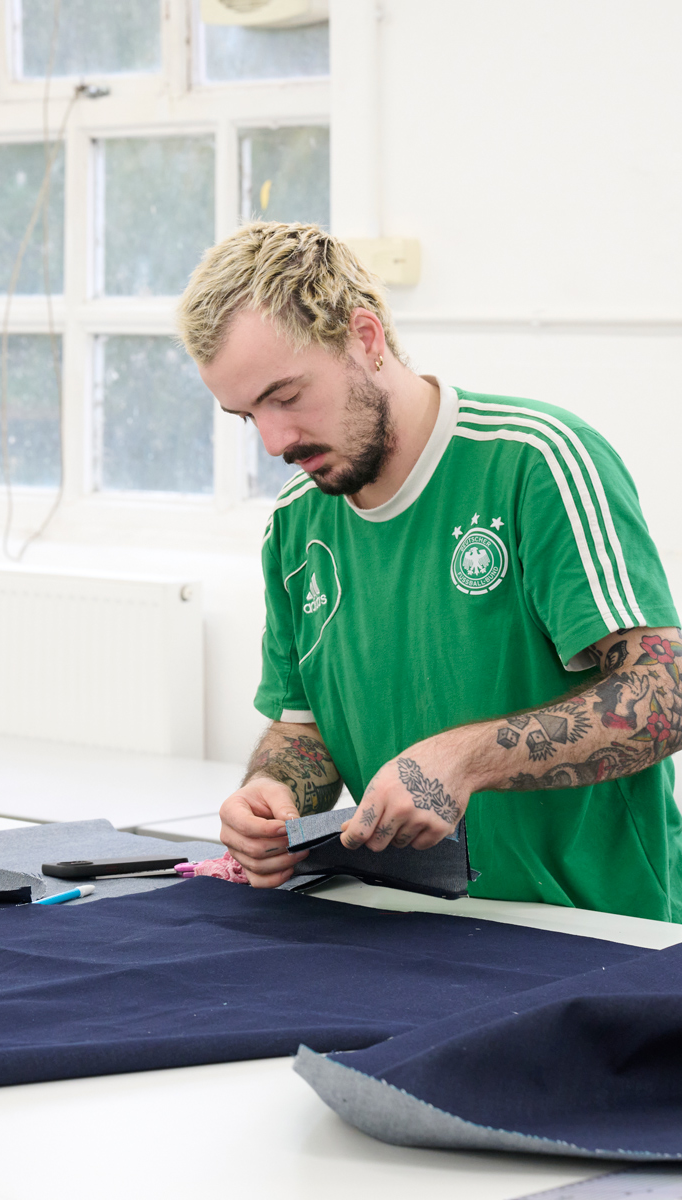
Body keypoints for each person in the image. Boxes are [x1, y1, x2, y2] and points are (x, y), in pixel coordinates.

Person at [177, 221, 682, 922]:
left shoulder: (536, 464)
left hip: (596, 931)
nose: (274, 441)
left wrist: (467, 758)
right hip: (406, 926)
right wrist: (272, 796)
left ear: (365, 336)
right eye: (247, 415)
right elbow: (306, 730)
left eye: (287, 396)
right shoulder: (297, 522)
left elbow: (667, 693)